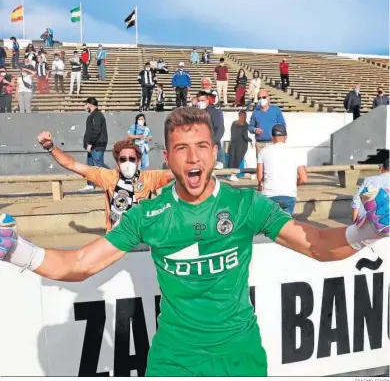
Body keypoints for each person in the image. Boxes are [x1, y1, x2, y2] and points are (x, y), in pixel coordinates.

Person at [0, 107, 388, 377]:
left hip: (240, 356)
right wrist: (14, 248)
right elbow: (77, 265)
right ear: (167, 157)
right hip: (174, 358)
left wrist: (367, 232)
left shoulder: (244, 203)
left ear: (215, 153)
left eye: (201, 146)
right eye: (182, 149)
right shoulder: (145, 215)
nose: (192, 157)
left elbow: (317, 243)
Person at [37, 132, 174, 231]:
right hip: (116, 237)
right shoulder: (107, 176)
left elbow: (177, 173)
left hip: (142, 238)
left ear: (138, 161)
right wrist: (51, 148)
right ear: (117, 162)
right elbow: (72, 165)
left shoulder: (150, 177)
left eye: (132, 159)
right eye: (123, 159)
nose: (127, 163)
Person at [256, 124, 307, 215]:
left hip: (270, 194)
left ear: (272, 137)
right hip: (289, 194)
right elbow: (304, 179)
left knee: (270, 225)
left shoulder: (263, 151)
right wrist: (292, 184)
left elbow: (260, 177)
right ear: (286, 136)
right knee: (286, 226)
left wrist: (260, 186)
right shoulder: (296, 152)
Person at [81, 98, 108, 192]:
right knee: (90, 166)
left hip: (96, 145)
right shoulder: (92, 115)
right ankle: (90, 184)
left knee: (99, 165)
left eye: (85, 104)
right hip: (92, 145)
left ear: (90, 104)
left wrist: (91, 143)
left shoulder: (96, 115)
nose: (84, 106)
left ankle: (116, 178)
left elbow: (97, 130)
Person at [249, 89, 286, 158]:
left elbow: (282, 125)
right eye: (259, 98)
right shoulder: (255, 111)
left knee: (273, 164)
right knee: (260, 166)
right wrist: (255, 130)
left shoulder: (276, 110)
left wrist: (280, 140)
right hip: (260, 144)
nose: (261, 99)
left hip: (273, 143)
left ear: (268, 98)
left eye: (264, 97)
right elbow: (250, 127)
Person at [352, 158, 390, 223]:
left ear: (382, 168)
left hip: (367, 221)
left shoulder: (369, 180)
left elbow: (357, 198)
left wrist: (354, 219)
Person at [196, 89, 225, 169]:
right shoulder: (197, 112)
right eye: (199, 101)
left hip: (212, 147)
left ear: (208, 100)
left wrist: (212, 142)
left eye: (202, 100)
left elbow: (220, 129)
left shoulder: (214, 111)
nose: (200, 102)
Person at [228, 110, 252, 182]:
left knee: (232, 159)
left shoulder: (234, 123)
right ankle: (234, 175)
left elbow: (232, 133)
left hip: (233, 143)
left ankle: (231, 174)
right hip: (241, 145)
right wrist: (251, 140)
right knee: (238, 160)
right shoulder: (245, 124)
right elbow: (245, 136)